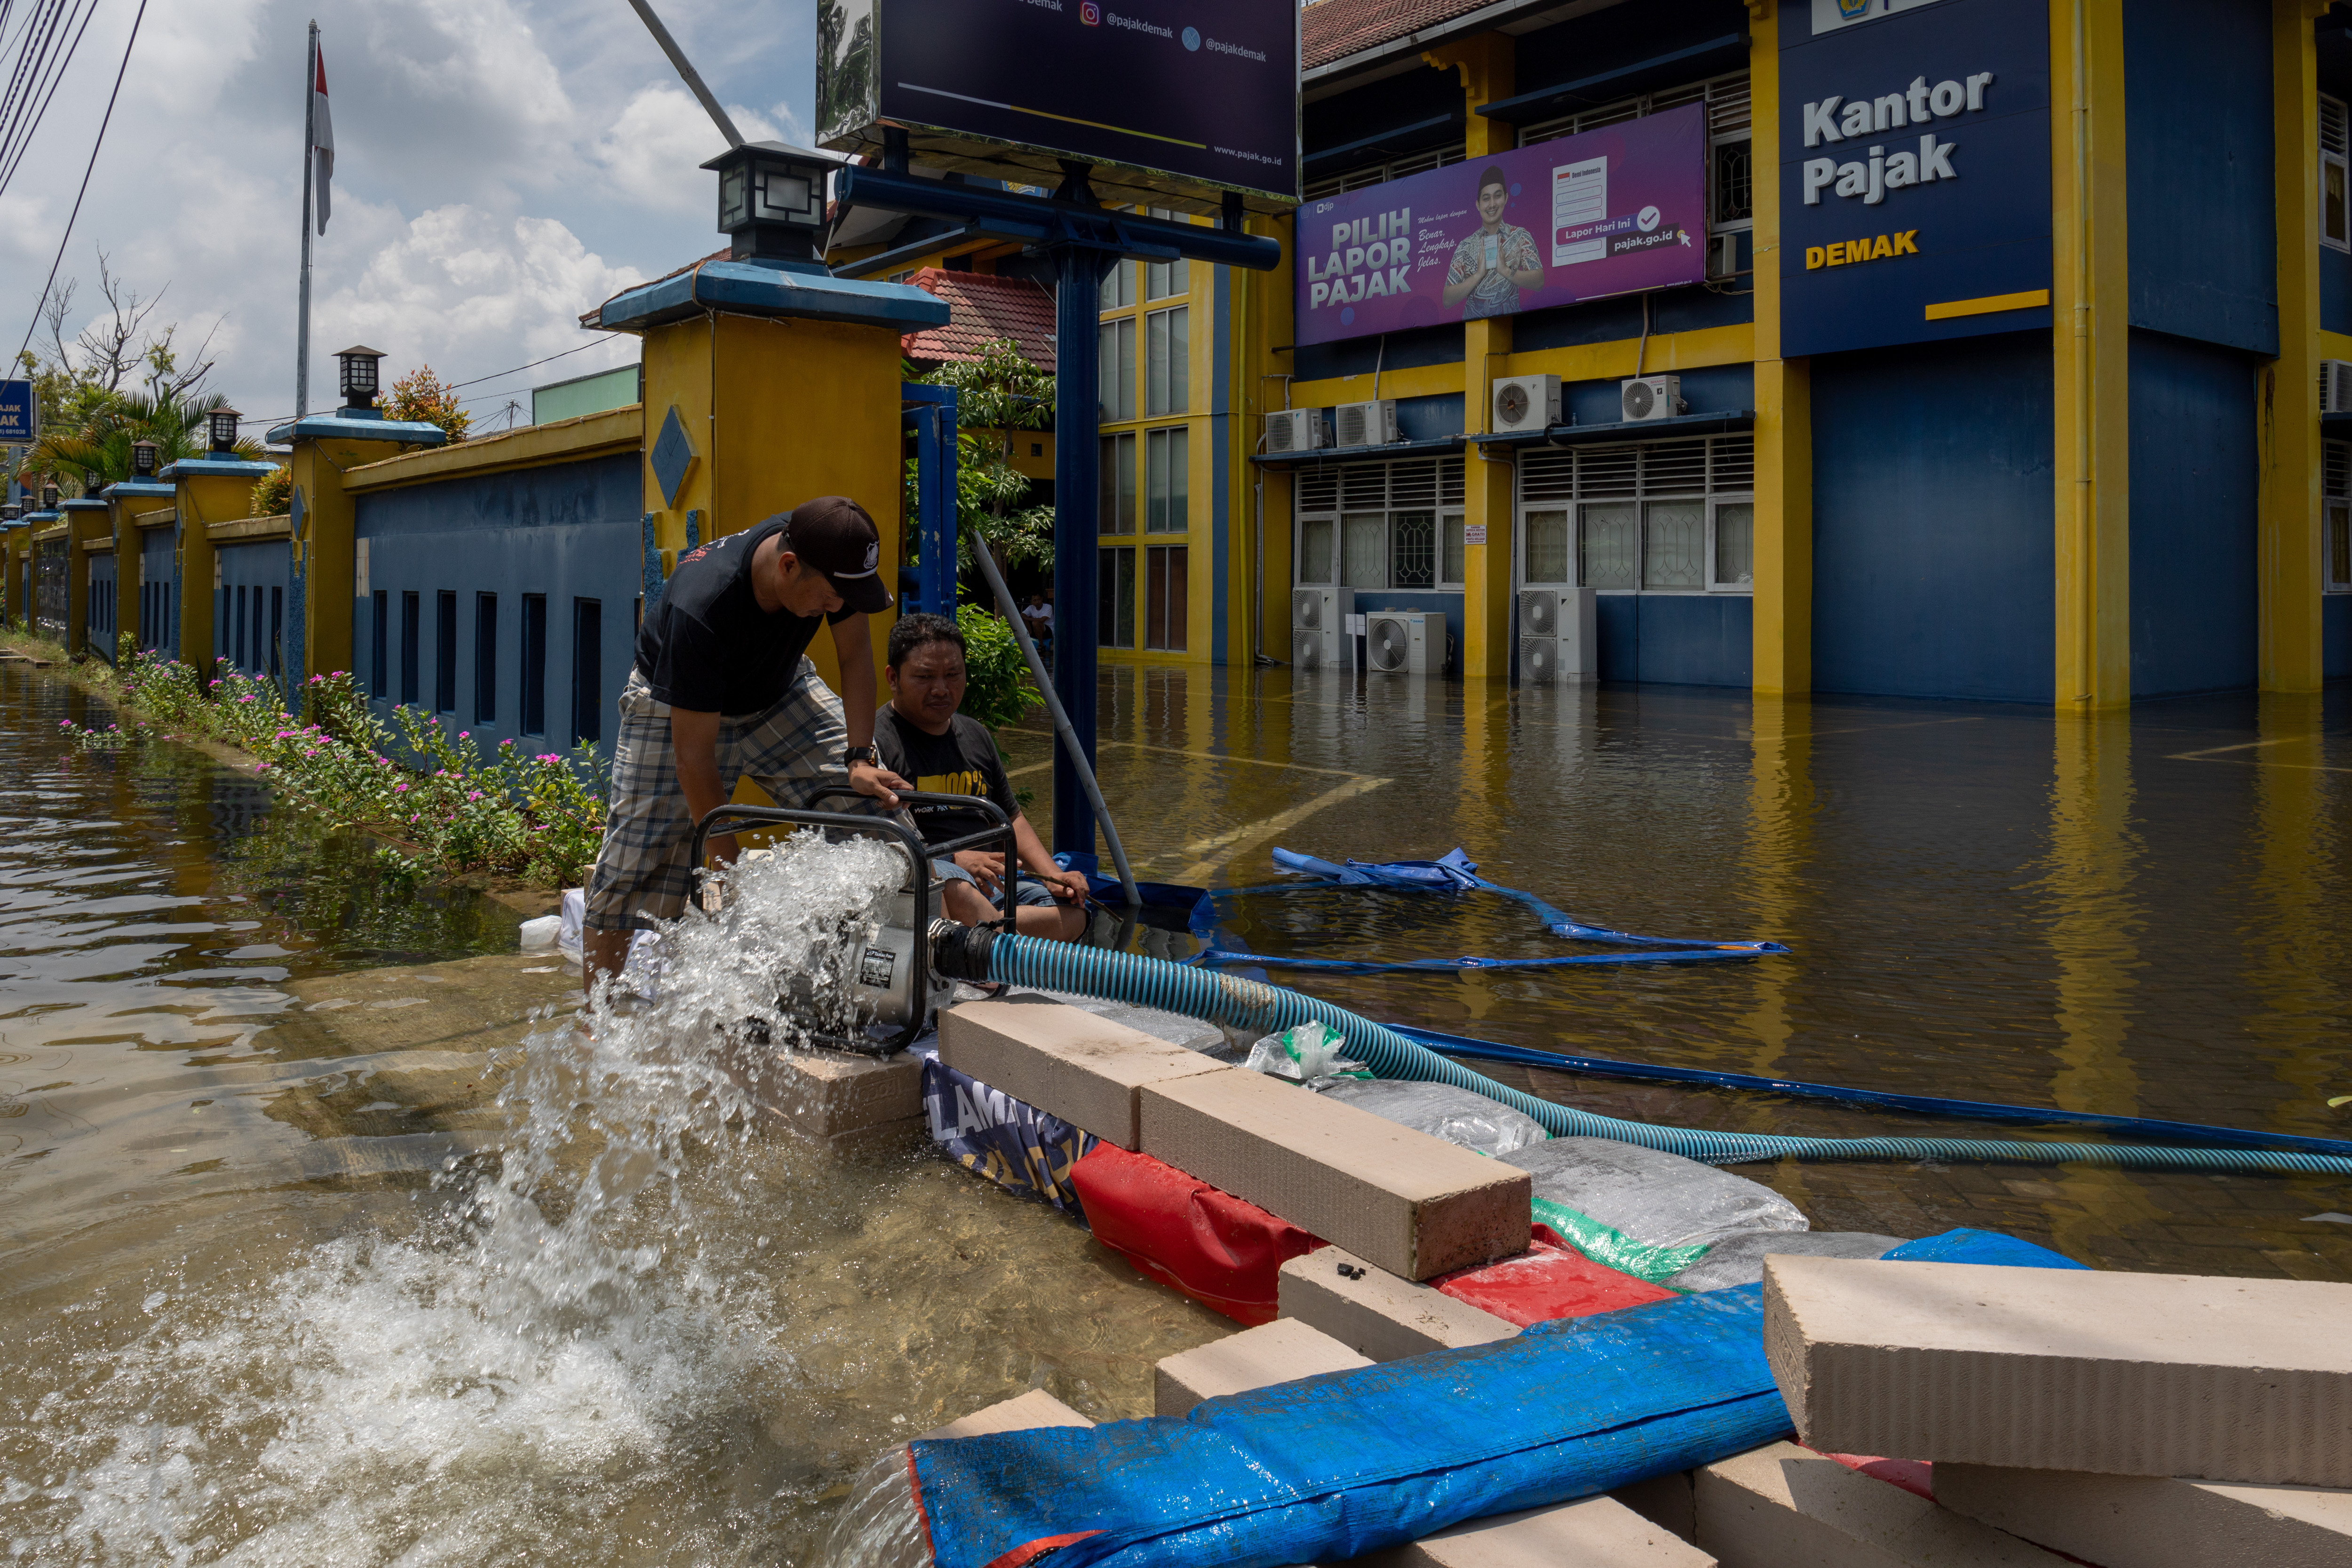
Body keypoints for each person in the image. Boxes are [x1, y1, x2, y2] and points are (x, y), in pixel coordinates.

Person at [581, 496, 910, 996]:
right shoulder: (702, 606)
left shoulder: (829, 554)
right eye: (829, 598)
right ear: (787, 566)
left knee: (878, 816)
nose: (836, 608)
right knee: (637, 858)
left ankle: (893, 984)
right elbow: (694, 759)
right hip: (674, 706)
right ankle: (596, 1014)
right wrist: (724, 865)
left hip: (778, 691)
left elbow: (856, 655)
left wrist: (860, 758)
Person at [875, 613, 1088, 939]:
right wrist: (955, 857)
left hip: (994, 883)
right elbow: (880, 840)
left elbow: (1012, 819)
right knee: (959, 891)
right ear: (893, 678)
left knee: (1075, 911)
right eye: (925, 676)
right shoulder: (877, 742)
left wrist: (1052, 875)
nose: (941, 689)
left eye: (953, 674)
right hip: (933, 876)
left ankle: (985, 939)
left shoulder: (976, 734)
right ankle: (991, 939)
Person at [1442, 165, 1543, 320]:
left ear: (1506, 198)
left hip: (1511, 326)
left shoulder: (1520, 236)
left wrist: (1506, 272)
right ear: (1478, 205)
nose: (1492, 204)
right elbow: (1447, 299)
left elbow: (1539, 281)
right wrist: (1478, 275)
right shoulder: (1465, 246)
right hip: (1474, 332)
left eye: (1497, 196)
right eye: (1486, 199)